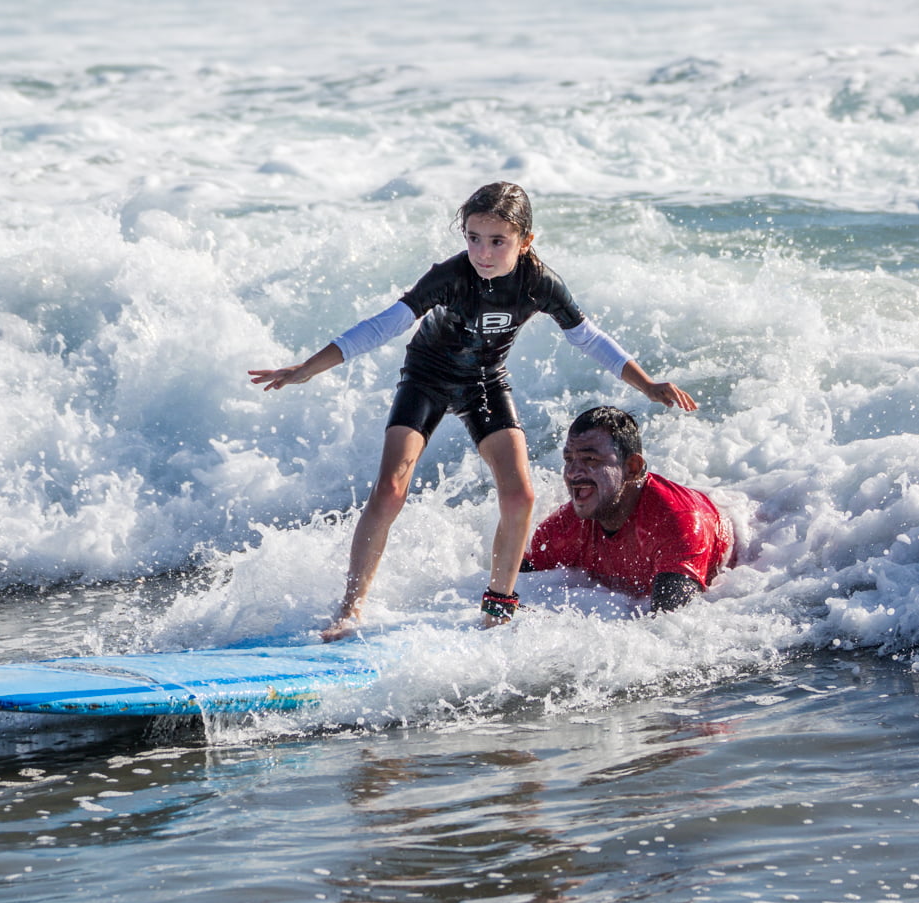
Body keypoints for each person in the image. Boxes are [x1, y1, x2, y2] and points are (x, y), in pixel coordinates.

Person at [249, 182, 696, 641]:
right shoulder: (450, 276)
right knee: (390, 490)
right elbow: (386, 324)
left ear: (525, 242)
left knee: (520, 494)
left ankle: (498, 608)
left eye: (497, 241)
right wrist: (309, 367)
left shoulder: (539, 283)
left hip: (484, 381)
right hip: (427, 378)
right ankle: (350, 608)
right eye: (473, 237)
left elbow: (587, 337)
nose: (482, 251)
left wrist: (647, 384)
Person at [522, 406, 732, 611]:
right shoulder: (561, 530)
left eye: (590, 459)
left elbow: (670, 624)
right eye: (569, 459)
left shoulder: (675, 523)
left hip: (745, 553)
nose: (573, 472)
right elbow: (518, 590)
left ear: (632, 467)